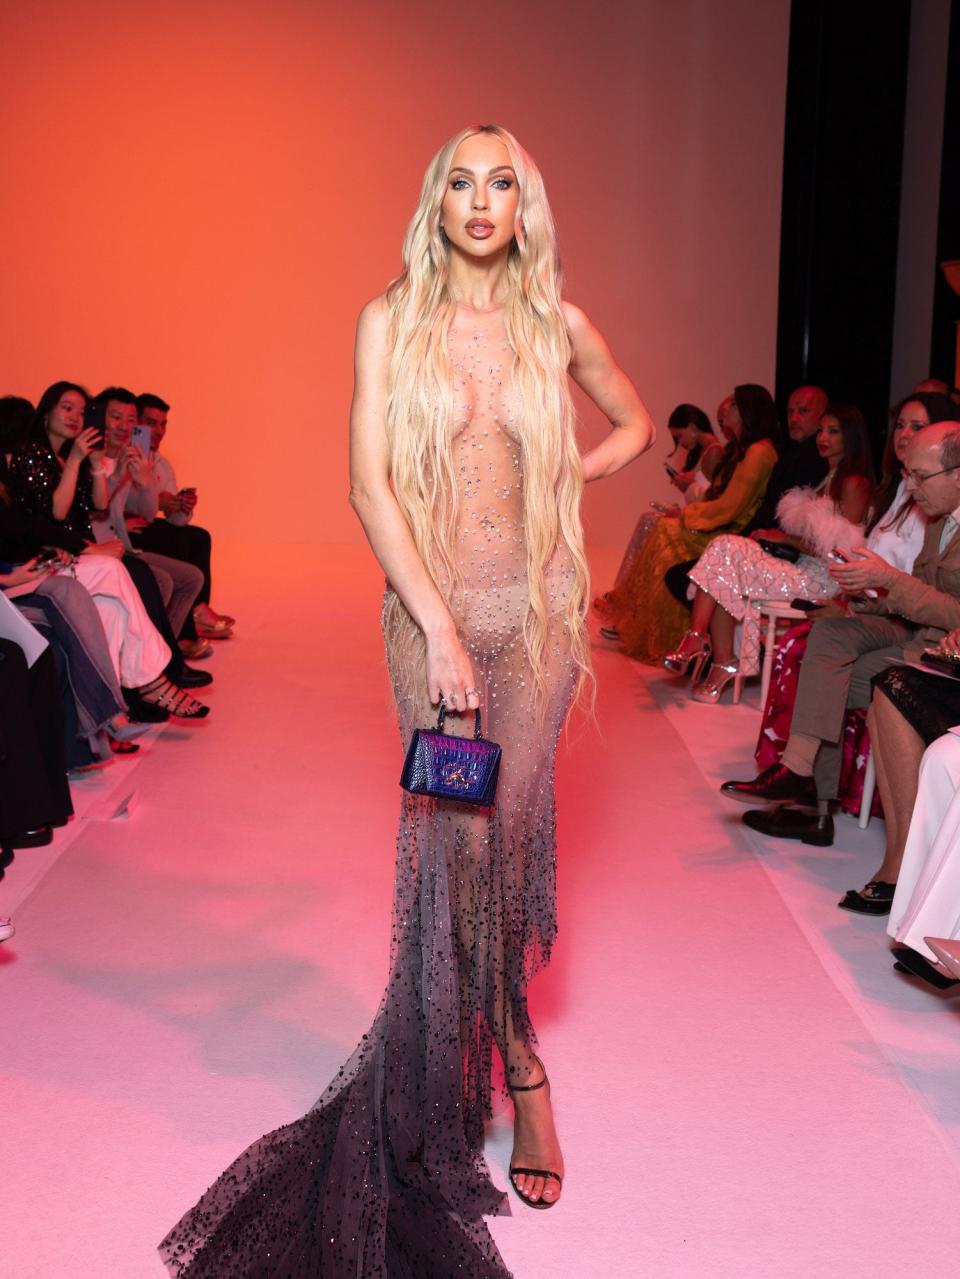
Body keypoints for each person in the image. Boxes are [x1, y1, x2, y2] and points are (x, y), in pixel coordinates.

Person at [160, 123, 655, 1277]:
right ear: (436, 204)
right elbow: (366, 482)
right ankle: (522, 1074)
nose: (481, 202)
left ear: (524, 207)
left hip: (532, 629)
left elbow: (630, 423)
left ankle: (497, 1064)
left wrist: (558, 482)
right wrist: (435, 626)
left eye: (503, 184)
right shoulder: (392, 320)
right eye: (461, 183)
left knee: (502, 846)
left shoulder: (556, 327)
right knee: (451, 855)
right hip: (432, 632)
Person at [721, 421, 960, 854]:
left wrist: (887, 579)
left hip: (942, 653)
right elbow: (921, 592)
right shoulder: (940, 522)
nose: (910, 486)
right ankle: (802, 782)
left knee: (824, 677)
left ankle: (813, 802)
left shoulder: (939, 520)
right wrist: (868, 591)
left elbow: (952, 611)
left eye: (920, 476)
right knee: (828, 637)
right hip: (917, 635)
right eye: (907, 474)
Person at [10, 382, 209, 719]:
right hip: (60, 556)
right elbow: (56, 516)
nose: (75, 416)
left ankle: (119, 707)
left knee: (117, 604)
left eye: (81, 410)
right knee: (124, 573)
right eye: (66, 408)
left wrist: (107, 467)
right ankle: (152, 680)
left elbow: (102, 503)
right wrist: (80, 463)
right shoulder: (35, 454)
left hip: (85, 551)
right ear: (46, 412)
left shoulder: (79, 454)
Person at [669, 402, 872, 701]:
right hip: (802, 566)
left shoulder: (854, 482)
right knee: (725, 551)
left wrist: (786, 539)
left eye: (833, 431)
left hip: (822, 579)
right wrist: (778, 538)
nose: (822, 437)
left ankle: (705, 646)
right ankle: (712, 651)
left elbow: (843, 553)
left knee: (726, 553)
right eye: (821, 431)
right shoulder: (829, 478)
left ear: (851, 437)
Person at [600, 383, 779, 662]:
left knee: (663, 532)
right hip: (722, 524)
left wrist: (686, 516)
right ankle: (645, 624)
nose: (726, 410)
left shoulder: (758, 452)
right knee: (660, 531)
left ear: (748, 410)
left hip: (731, 532)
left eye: (733, 405)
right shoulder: (747, 449)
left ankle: (667, 632)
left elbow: (731, 507)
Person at [130, 392, 234, 644]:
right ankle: (184, 629)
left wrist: (182, 507)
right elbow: (120, 502)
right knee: (172, 541)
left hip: (146, 524)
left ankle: (198, 609)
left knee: (198, 536)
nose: (159, 431)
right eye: (150, 423)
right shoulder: (128, 457)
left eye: (163, 423)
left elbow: (175, 521)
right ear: (136, 425)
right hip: (126, 529)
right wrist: (158, 503)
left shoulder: (161, 464)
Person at [593, 402, 717, 612]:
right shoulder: (707, 453)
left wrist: (689, 488)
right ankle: (625, 593)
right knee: (648, 520)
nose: (681, 443)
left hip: (702, 524)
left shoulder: (714, 453)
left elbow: (714, 500)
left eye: (679, 436)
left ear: (693, 427)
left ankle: (626, 596)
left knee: (650, 522)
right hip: (695, 518)